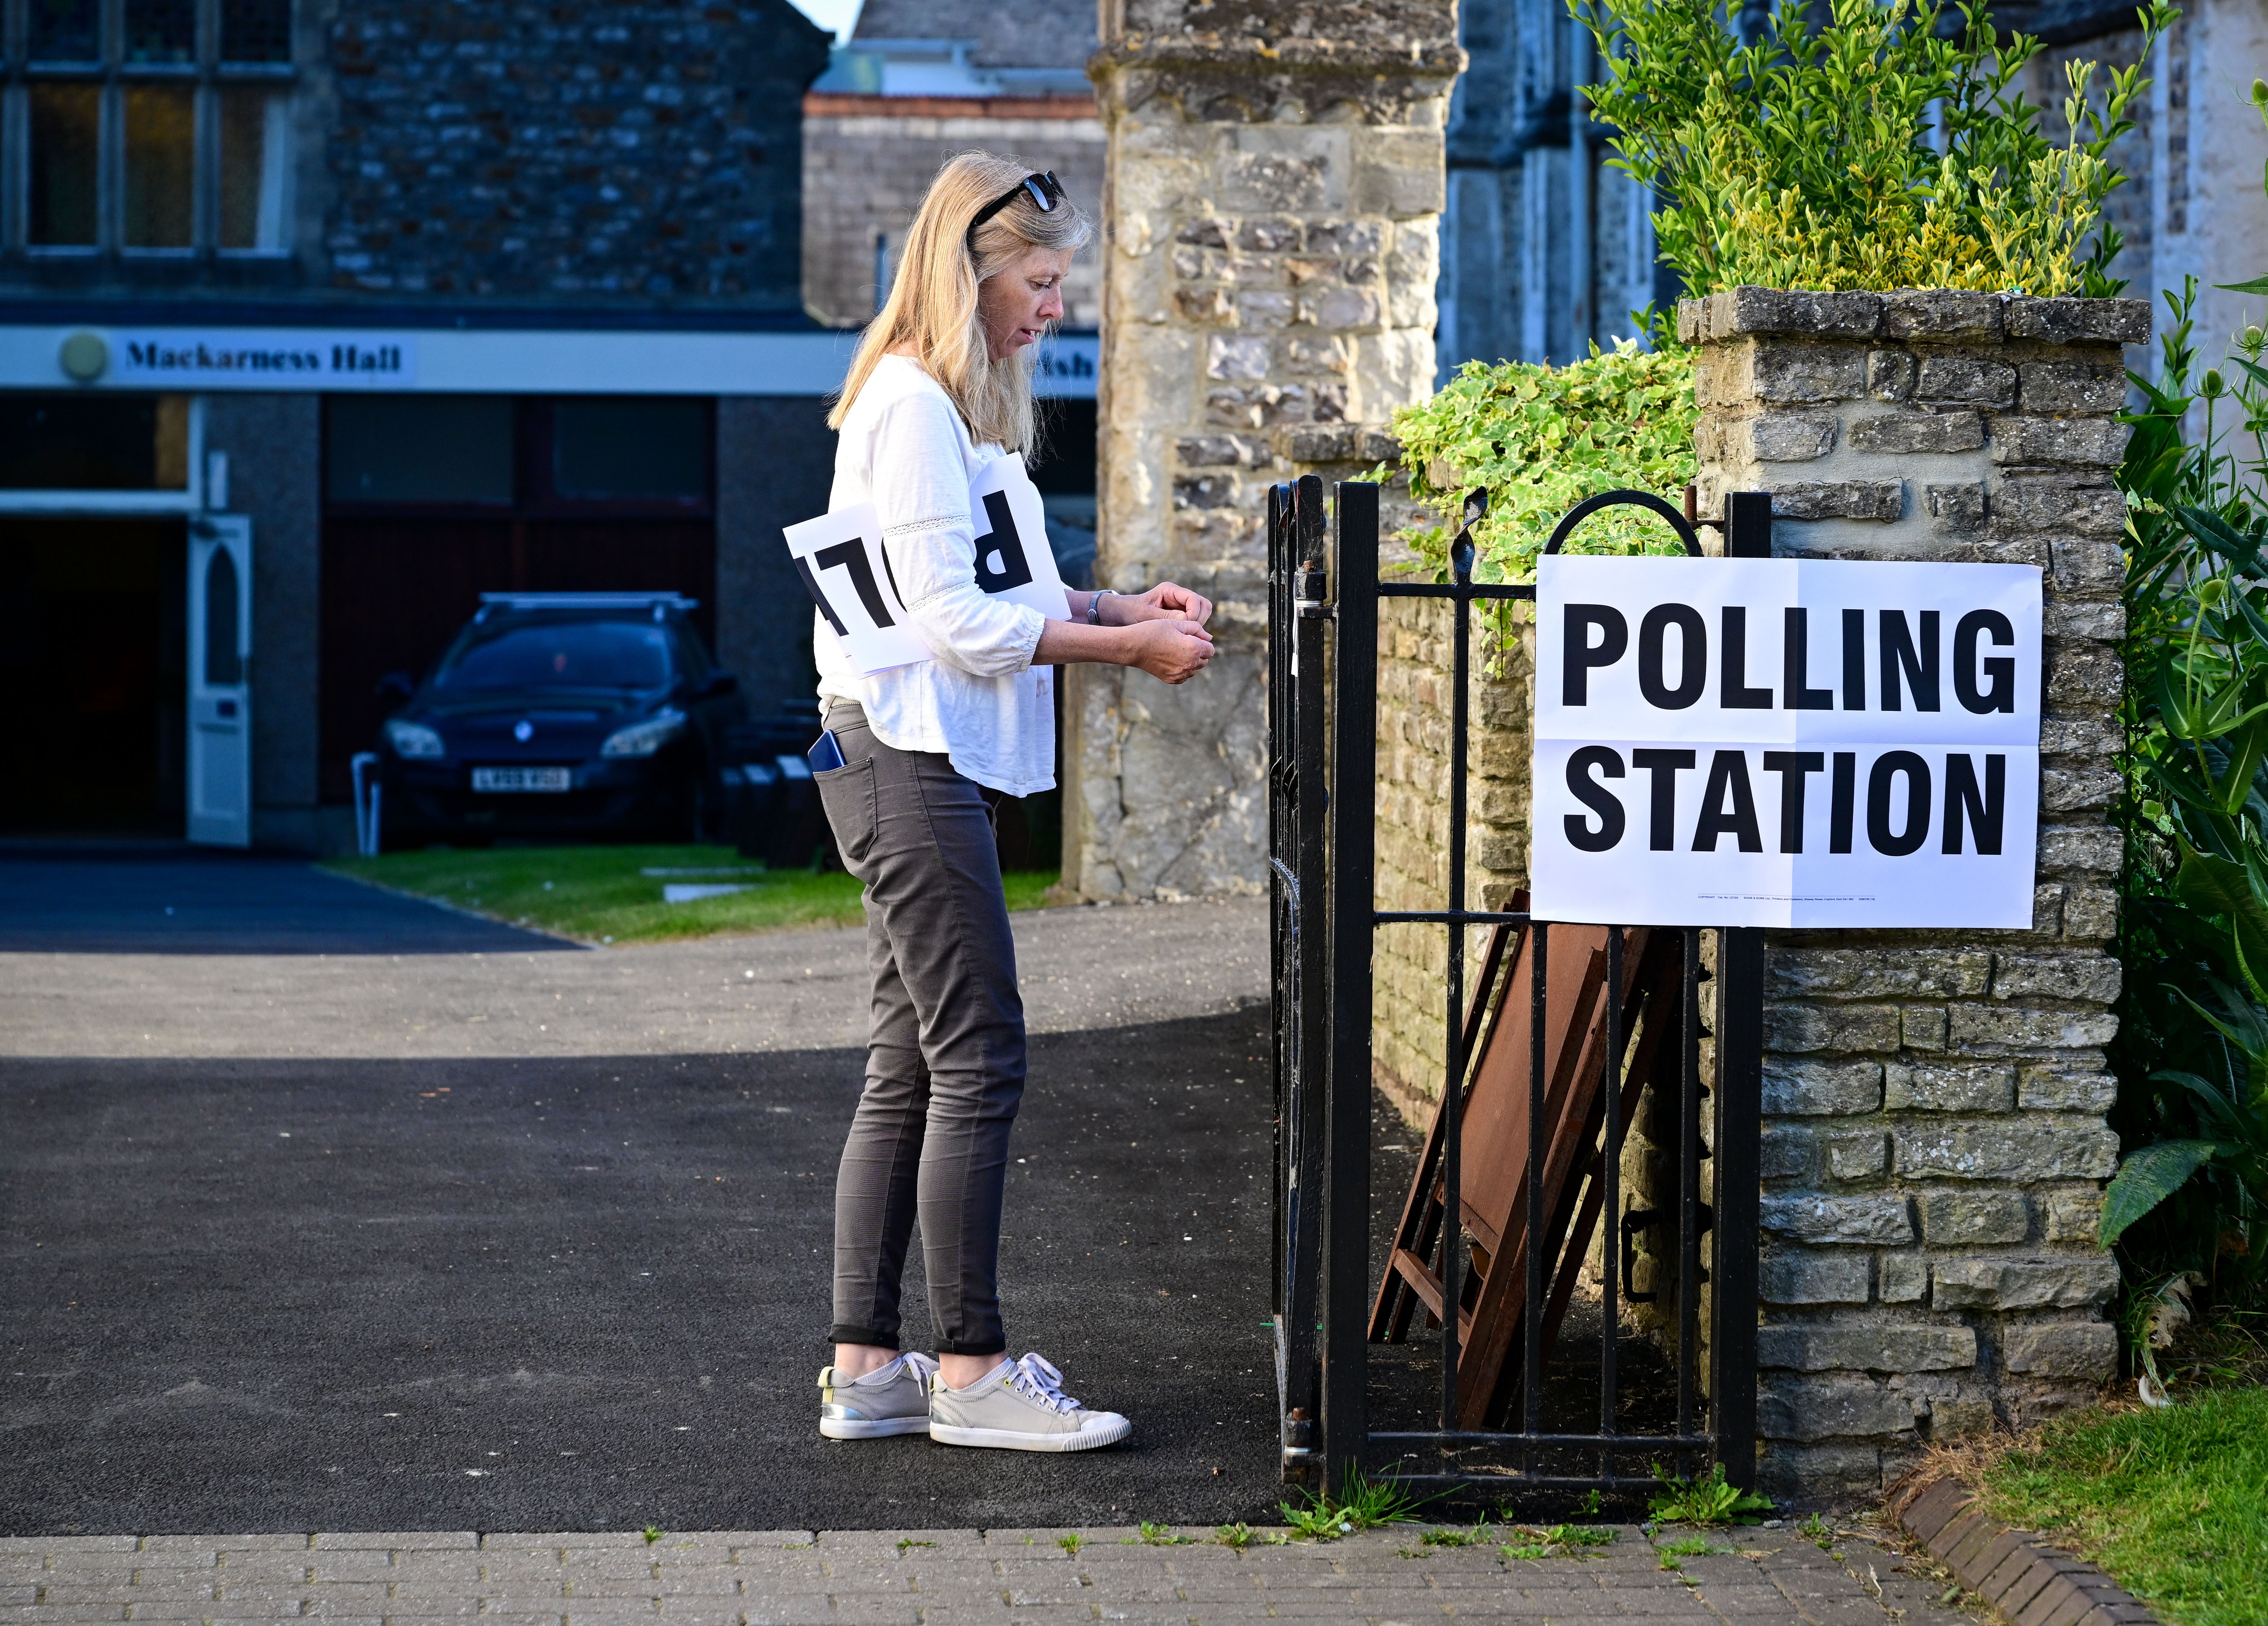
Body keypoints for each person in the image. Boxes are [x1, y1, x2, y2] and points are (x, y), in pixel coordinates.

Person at [809, 153, 1216, 1452]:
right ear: (970, 269)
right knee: (978, 1052)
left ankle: (871, 1369)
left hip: (903, 753)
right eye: (1039, 282)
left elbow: (1014, 586)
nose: (1056, 308)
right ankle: (972, 1372)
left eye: (1061, 284)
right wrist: (1127, 656)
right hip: (903, 754)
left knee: (913, 1060)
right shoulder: (913, 407)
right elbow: (960, 624)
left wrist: (1116, 605)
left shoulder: (951, 408)